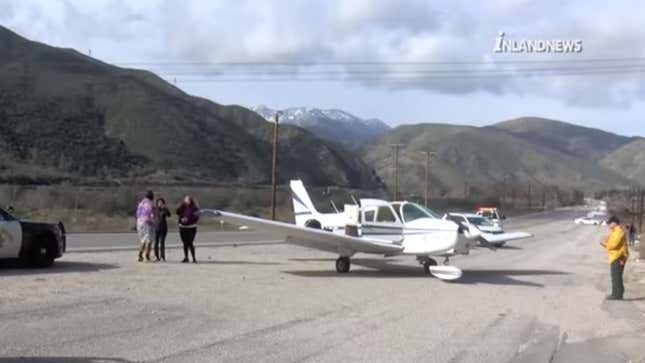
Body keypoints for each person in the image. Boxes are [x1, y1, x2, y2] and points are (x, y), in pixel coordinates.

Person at [600, 216, 629, 300]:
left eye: (610, 223)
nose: (608, 225)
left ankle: (617, 295)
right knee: (615, 275)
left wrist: (604, 244)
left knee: (616, 276)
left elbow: (613, 244)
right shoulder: (613, 231)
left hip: (619, 257)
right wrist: (605, 241)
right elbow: (608, 240)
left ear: (614, 223)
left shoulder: (618, 232)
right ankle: (617, 293)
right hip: (615, 256)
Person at [176, 195, 200, 263]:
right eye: (185, 199)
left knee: (190, 242)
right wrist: (180, 205)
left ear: (190, 200)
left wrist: (188, 220)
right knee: (185, 243)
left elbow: (196, 217)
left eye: (187, 199)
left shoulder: (194, 208)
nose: (186, 201)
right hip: (182, 227)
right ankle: (186, 257)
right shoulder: (182, 207)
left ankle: (194, 258)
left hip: (191, 227)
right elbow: (177, 212)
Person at [136, 191, 155, 262]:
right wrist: (152, 222)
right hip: (147, 223)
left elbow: (137, 213)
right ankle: (147, 255)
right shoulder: (150, 204)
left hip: (139, 222)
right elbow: (151, 215)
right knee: (149, 240)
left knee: (142, 240)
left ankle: (140, 255)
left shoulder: (141, 203)